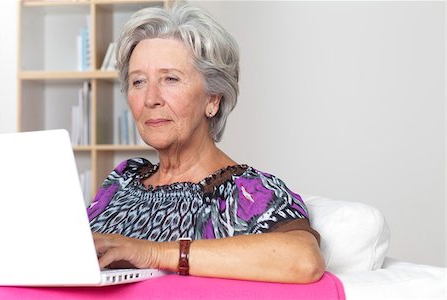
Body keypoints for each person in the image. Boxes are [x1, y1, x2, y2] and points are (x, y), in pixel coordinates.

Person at [87, 2, 325, 283]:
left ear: (213, 99)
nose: (150, 98)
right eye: (138, 82)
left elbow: (304, 259)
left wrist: (154, 254)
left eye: (170, 79)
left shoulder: (246, 193)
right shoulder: (123, 180)